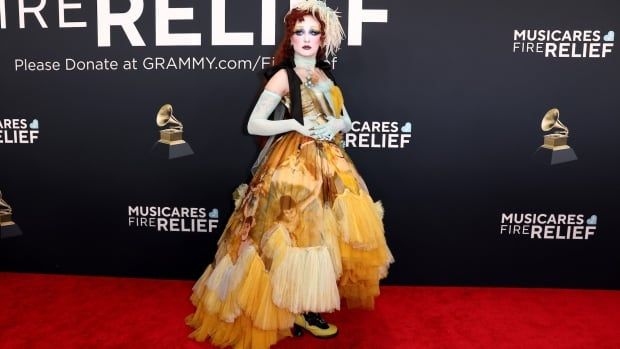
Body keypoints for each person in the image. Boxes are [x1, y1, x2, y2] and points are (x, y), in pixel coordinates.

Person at [186, 1, 393, 348]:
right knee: (290, 236)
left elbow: (347, 119)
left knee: (322, 237)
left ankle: (304, 306)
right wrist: (295, 122)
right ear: (291, 39)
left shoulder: (326, 76)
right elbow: (255, 123)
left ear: (323, 38)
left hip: (330, 163)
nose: (307, 38)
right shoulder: (284, 76)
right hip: (293, 167)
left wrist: (335, 125)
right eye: (300, 32)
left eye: (314, 32)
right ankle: (286, 308)